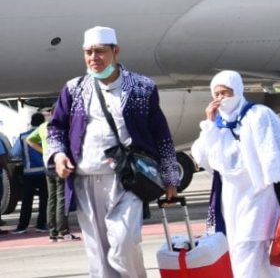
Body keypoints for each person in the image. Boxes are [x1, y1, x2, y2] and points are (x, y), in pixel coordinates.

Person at [45, 26, 180, 277]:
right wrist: (58, 155)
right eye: (88, 52)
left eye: (99, 52)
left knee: (124, 242)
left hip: (127, 179)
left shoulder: (141, 87)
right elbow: (55, 128)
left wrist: (170, 176)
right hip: (86, 179)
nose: (93, 58)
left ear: (115, 51)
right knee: (98, 254)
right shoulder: (74, 89)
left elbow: (161, 134)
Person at [190, 71, 280, 278]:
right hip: (232, 199)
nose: (221, 99)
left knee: (246, 251)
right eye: (216, 94)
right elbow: (202, 155)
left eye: (225, 93)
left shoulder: (259, 115)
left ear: (237, 90)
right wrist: (209, 123)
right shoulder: (218, 125)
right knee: (258, 259)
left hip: (258, 195)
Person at [25, 117, 78, 241]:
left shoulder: (43, 126)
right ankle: (63, 231)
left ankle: (52, 231)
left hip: (47, 165)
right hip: (60, 164)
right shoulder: (61, 124)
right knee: (62, 197)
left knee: (51, 198)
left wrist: (44, 151)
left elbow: (29, 140)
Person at [12, 113, 48, 234]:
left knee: (27, 201)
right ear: (42, 123)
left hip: (28, 173)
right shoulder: (44, 134)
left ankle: (22, 226)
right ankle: (41, 224)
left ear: (31, 122)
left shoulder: (23, 136)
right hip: (44, 172)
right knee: (45, 200)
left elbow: (14, 153)